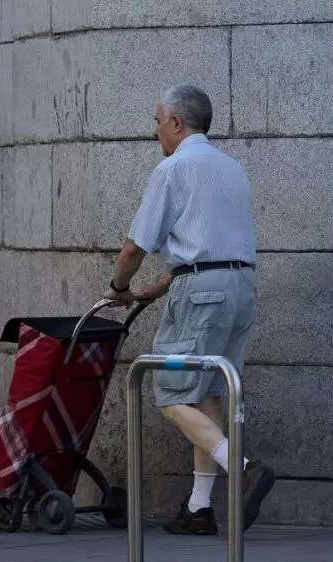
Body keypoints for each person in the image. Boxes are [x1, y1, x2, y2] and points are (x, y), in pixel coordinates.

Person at [102, 84, 275, 535]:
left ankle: (242, 467)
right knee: (208, 393)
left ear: (177, 123)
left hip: (203, 293)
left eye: (157, 121)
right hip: (239, 289)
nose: (155, 131)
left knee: (172, 393)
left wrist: (119, 287)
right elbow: (216, 247)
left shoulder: (172, 169)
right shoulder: (232, 168)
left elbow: (134, 246)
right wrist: (163, 287)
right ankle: (199, 509)